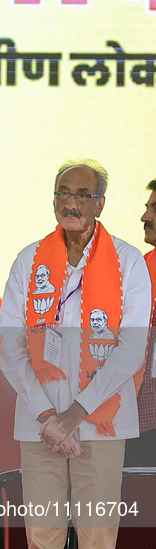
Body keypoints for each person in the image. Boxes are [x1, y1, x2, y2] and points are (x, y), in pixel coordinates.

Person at [0, 159, 151, 549]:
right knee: (42, 545)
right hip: (38, 427)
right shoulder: (29, 261)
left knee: (96, 548)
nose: (71, 202)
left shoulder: (129, 263)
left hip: (101, 427)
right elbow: (10, 344)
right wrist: (47, 414)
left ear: (100, 203)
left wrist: (76, 411)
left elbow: (132, 346)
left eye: (82, 194)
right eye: (63, 191)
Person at [123, 180, 156, 466]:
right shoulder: (140, 267)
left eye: (154, 208)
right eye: (147, 208)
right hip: (139, 418)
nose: (145, 217)